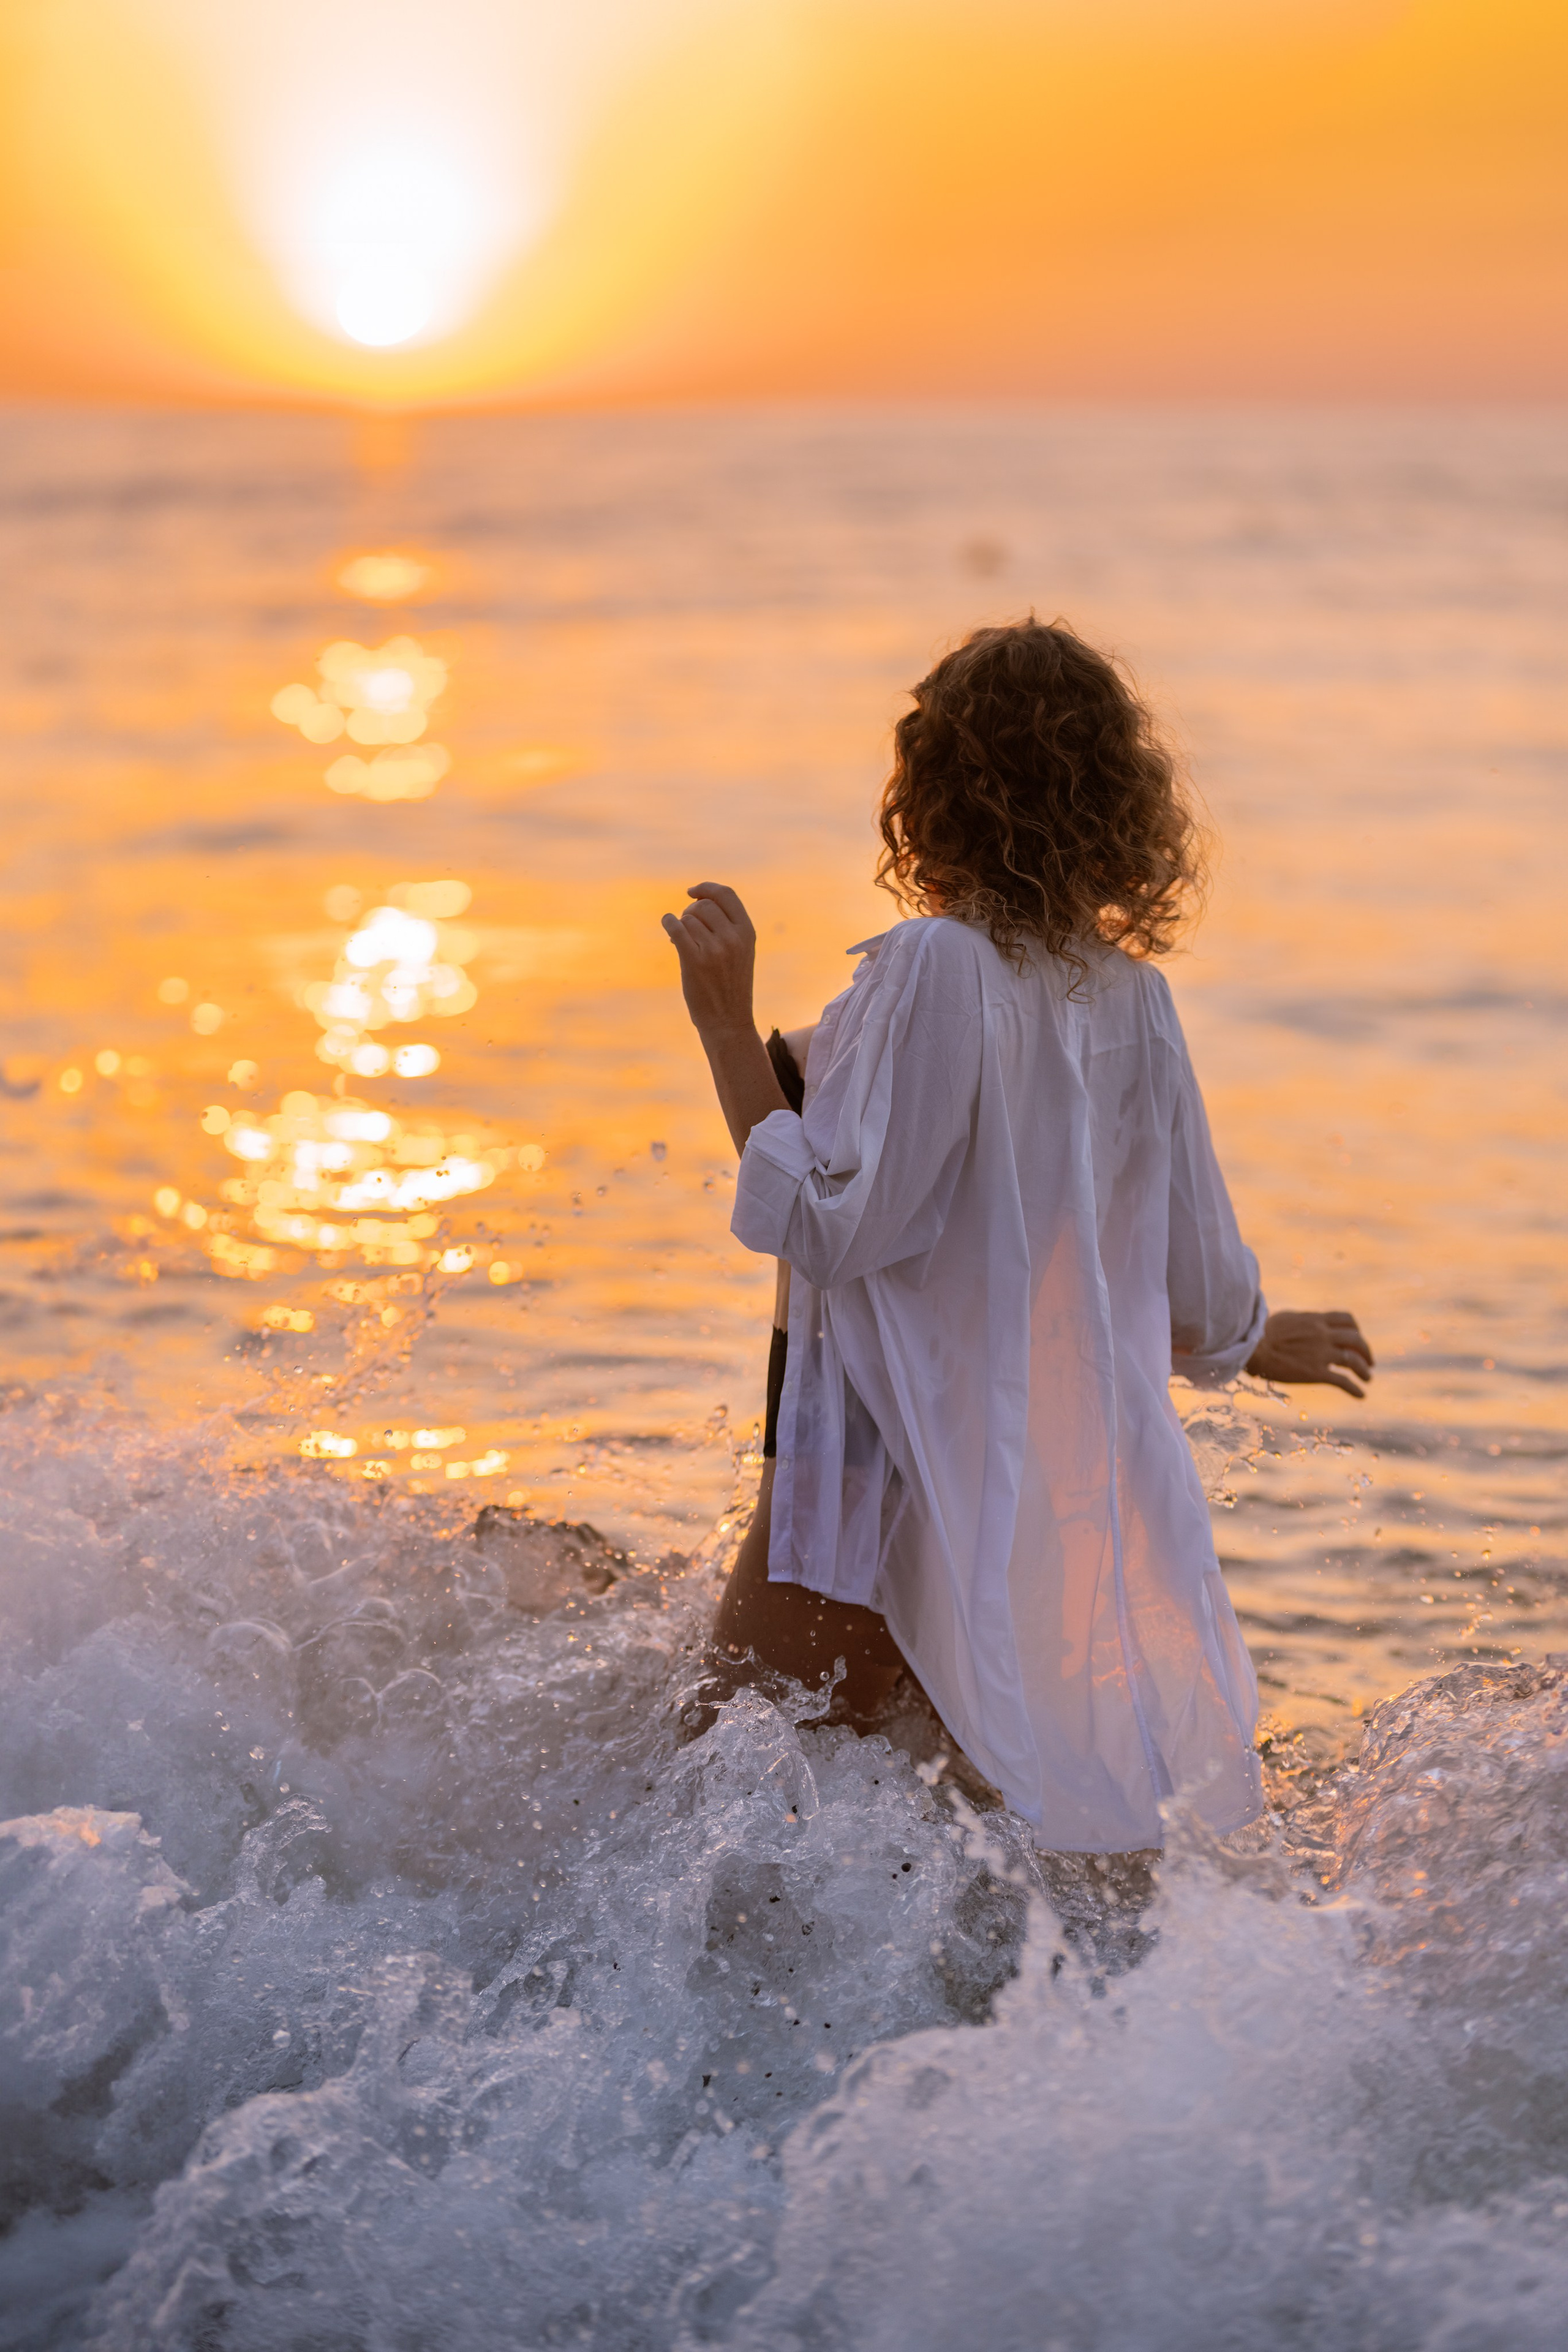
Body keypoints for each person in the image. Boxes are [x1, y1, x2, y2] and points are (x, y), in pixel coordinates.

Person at [662, 620, 1372, 1853]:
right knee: (945, 1844)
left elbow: (834, 1226)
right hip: (1009, 1490)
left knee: (702, 1812)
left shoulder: (936, 963)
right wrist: (1262, 1339)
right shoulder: (1131, 996)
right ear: (1114, 802)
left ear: (930, 789)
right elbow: (1184, 1276)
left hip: (872, 1457)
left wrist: (725, 1023)